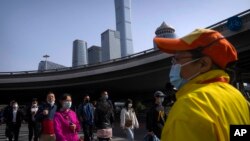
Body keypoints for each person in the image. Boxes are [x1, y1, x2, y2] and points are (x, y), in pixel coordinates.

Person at [154, 28, 250, 141]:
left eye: (177, 59)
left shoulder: (190, 106)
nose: (174, 66)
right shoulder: (238, 97)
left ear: (203, 64)